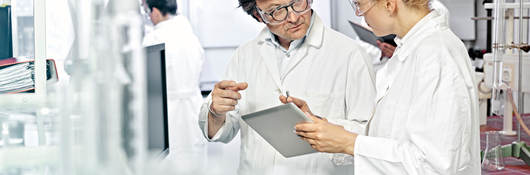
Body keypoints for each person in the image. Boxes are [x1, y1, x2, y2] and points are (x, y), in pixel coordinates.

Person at [285, 0, 481, 174]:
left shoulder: (436, 55)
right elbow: (386, 136)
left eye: (360, 5)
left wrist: (349, 143)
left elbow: (433, 167)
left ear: (389, 4)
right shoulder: (410, 49)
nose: (358, 14)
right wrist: (324, 128)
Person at [197, 0, 376, 174]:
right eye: (277, 10)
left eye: (297, 2)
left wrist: (323, 126)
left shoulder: (351, 55)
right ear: (258, 15)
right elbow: (222, 132)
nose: (293, 17)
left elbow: (371, 137)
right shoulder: (244, 56)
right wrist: (216, 112)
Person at [141, 0, 207, 173]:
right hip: (193, 107)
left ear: (155, 11)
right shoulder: (189, 33)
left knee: (171, 163)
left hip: (167, 111)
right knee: (194, 161)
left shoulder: (154, 38)